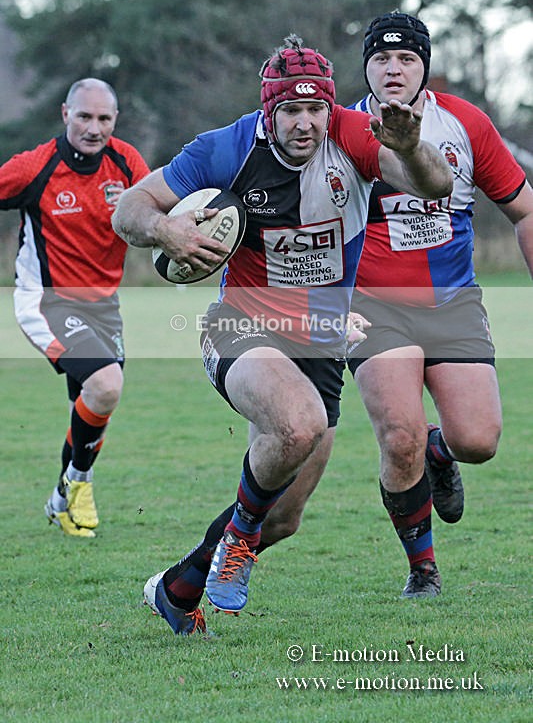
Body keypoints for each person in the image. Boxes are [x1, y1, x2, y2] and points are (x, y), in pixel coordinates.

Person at [113, 34, 452, 635]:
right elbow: (130, 210)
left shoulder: (353, 134)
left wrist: (412, 145)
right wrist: (166, 231)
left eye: (314, 109)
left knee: (283, 518)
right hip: (240, 326)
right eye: (290, 111)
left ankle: (177, 588)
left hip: (320, 343)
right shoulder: (228, 146)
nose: (304, 123)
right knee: (297, 424)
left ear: (329, 106)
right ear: (269, 110)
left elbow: (434, 186)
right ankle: (235, 542)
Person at [343, 11, 533, 598]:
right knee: (398, 437)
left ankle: (440, 450)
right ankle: (421, 569)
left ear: (425, 65)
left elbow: (523, 208)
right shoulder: (342, 128)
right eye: (381, 58)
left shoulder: (466, 123)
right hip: (375, 309)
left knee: (478, 441)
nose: (393, 68)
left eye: (406, 58)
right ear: (367, 67)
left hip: (452, 305)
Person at [0, 78, 150, 537]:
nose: (93, 127)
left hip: (105, 305)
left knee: (89, 406)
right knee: (106, 386)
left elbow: (156, 209)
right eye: (84, 116)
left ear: (115, 121)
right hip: (47, 300)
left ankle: (61, 497)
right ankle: (80, 484)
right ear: (66, 113)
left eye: (104, 118)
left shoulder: (126, 163)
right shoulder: (35, 167)